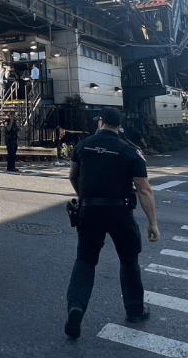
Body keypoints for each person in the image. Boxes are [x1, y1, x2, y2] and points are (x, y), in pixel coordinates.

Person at [63, 107, 159, 338]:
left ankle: (76, 306)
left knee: (85, 260)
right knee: (128, 260)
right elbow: (144, 190)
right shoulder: (130, 152)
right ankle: (135, 309)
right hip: (119, 212)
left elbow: (72, 176)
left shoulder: (83, 146)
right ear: (119, 126)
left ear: (101, 123)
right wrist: (152, 223)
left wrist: (85, 196)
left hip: (89, 210)